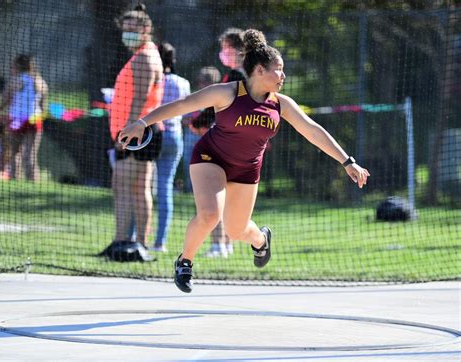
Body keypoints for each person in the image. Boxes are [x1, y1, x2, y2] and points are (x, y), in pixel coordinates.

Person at [118, 29, 370, 292]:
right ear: (260, 70)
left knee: (236, 230)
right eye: (279, 69)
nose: (283, 76)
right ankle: (185, 262)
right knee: (210, 214)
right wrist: (142, 122)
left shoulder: (281, 104)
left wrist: (347, 161)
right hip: (210, 158)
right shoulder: (228, 92)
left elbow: (312, 130)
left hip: (246, 169)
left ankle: (261, 240)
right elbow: (183, 105)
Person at [100, 4, 163, 262]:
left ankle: (128, 243)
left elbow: (140, 98)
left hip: (140, 133)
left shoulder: (146, 58)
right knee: (135, 187)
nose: (127, 34)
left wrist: (127, 134)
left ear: (146, 29)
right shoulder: (141, 55)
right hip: (140, 131)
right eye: (124, 29)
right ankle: (130, 243)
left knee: (126, 186)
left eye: (132, 29)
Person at [203, 27, 246, 258]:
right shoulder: (253, 77)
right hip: (241, 145)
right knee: (230, 195)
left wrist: (200, 119)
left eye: (226, 48)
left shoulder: (236, 78)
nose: (223, 53)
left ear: (239, 50)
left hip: (226, 143)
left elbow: (217, 106)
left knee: (214, 194)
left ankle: (218, 244)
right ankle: (227, 244)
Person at [152, 42, 191, 253]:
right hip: (175, 137)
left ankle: (136, 236)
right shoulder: (182, 83)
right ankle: (160, 242)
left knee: (144, 188)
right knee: (165, 188)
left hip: (153, 138)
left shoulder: (153, 81)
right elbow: (187, 113)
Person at [0, 54, 48, 181]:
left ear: (17, 66)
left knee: (14, 153)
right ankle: (33, 183)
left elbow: (3, 102)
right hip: (34, 120)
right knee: (30, 154)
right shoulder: (41, 82)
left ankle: (14, 180)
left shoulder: (14, 81)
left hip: (16, 120)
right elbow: (44, 108)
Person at [182, 66, 221, 193]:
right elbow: (184, 119)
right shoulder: (195, 97)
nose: (200, 84)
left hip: (210, 138)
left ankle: (209, 190)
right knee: (190, 162)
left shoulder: (219, 98)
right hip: (192, 137)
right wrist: (192, 121)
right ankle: (191, 189)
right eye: (200, 81)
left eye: (204, 81)